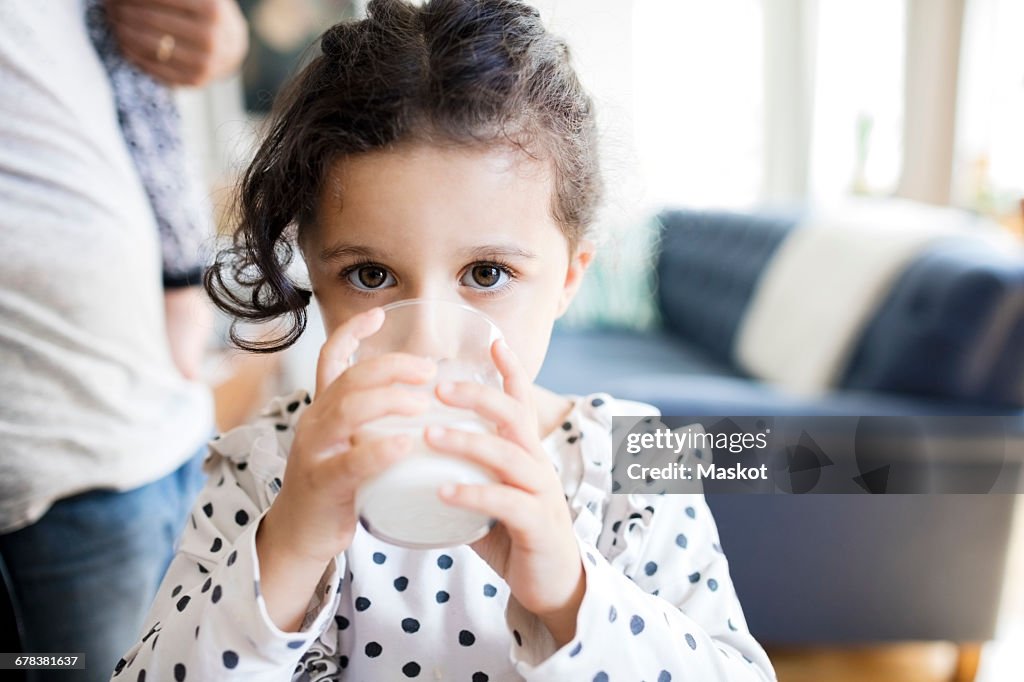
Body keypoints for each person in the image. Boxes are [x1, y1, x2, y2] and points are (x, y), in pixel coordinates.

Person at [114, 1, 777, 680]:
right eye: (370, 274)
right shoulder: (267, 464)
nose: (429, 340)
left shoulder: (637, 462)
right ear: (312, 269)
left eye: (486, 273)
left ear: (570, 276)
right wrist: (287, 551)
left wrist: (574, 593)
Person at [0, 1, 246, 680]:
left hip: (168, 412)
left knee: (199, 657)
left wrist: (217, 36)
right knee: (75, 666)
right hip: (55, 461)